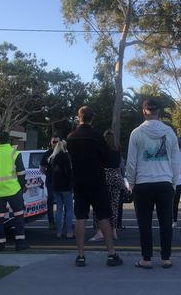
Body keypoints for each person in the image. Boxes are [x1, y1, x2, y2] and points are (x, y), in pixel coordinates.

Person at [126, 99, 180, 269]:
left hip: (143, 183)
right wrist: (173, 182)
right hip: (164, 182)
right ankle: (166, 258)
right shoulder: (169, 132)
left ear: (144, 111)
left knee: (144, 223)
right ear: (159, 112)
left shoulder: (136, 133)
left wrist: (132, 183)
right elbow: (175, 160)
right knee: (166, 221)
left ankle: (146, 259)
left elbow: (131, 162)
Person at [66, 106, 123, 267]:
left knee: (80, 217)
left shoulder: (71, 137)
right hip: (97, 182)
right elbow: (109, 161)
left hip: (79, 182)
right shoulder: (97, 137)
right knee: (104, 217)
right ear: (92, 118)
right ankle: (111, 254)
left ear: (79, 118)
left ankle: (81, 256)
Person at [0, 130, 28, 251]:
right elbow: (21, 173)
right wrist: (22, 186)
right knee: (19, 217)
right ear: (9, 140)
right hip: (14, 190)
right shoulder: (14, 153)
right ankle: (19, 244)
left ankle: (0, 244)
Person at [89, 130, 123, 241]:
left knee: (99, 205)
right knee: (114, 206)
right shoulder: (117, 150)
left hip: (104, 176)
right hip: (116, 176)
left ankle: (99, 231)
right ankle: (113, 231)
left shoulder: (102, 150)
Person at [49, 140, 74, 239]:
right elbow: (69, 172)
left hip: (56, 186)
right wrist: (71, 184)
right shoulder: (65, 156)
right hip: (65, 187)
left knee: (59, 209)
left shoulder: (53, 157)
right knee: (69, 209)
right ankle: (69, 232)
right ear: (64, 147)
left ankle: (58, 232)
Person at [39, 135, 59, 231]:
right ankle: (51, 223)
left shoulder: (62, 153)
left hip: (61, 182)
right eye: (54, 141)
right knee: (50, 202)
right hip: (50, 181)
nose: (55, 143)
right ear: (51, 143)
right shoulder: (47, 153)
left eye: (57, 141)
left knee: (61, 202)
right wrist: (49, 174)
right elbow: (42, 167)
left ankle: (61, 223)